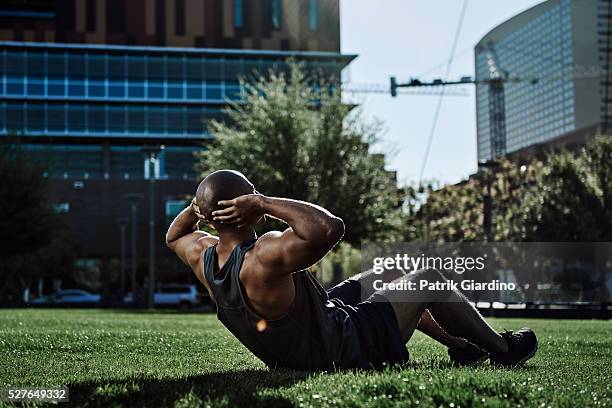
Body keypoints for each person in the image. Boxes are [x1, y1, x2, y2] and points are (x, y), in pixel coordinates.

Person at [166, 170, 537, 371]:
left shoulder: (203, 256)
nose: (257, 196)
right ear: (245, 206)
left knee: (391, 272)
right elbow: (329, 228)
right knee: (428, 279)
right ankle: (503, 349)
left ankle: (461, 346)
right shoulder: (264, 254)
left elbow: (173, 236)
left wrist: (199, 208)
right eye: (252, 193)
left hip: (303, 339)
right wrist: (264, 202)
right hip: (339, 348)